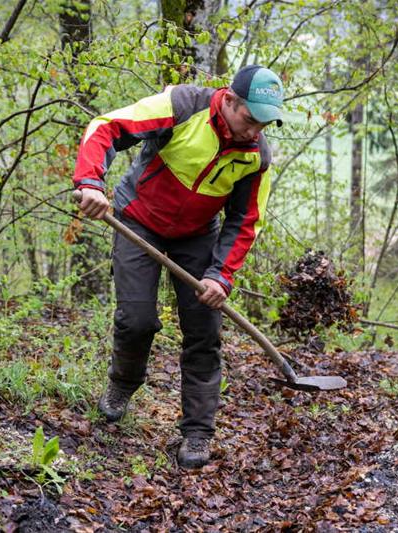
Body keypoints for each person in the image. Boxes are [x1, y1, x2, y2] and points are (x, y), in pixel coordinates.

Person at [71, 65, 284, 468]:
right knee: (137, 320)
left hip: (198, 235)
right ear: (231, 100)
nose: (255, 130)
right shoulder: (183, 106)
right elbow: (106, 127)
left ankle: (197, 434)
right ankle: (123, 384)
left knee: (204, 331)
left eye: (264, 123)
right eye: (249, 118)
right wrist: (90, 183)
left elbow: (246, 221)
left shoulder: (256, 156)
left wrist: (221, 275)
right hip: (138, 219)